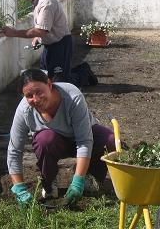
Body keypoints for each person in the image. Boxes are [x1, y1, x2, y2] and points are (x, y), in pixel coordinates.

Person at [7, 68, 116, 206]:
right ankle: (49, 181)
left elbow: (84, 141)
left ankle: (88, 175)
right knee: (44, 140)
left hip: (82, 137)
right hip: (55, 143)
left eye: (39, 91)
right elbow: (14, 150)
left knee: (110, 140)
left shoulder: (72, 97)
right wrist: (19, 188)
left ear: (49, 84)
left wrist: (78, 180)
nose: (36, 99)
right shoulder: (24, 110)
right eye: (29, 95)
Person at [2, 0, 97, 87]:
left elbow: (40, 30)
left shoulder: (46, 2)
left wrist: (14, 33)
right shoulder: (39, 0)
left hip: (60, 44)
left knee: (61, 83)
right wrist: (38, 36)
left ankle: (84, 72)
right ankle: (81, 70)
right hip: (52, 44)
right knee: (48, 77)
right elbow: (44, 26)